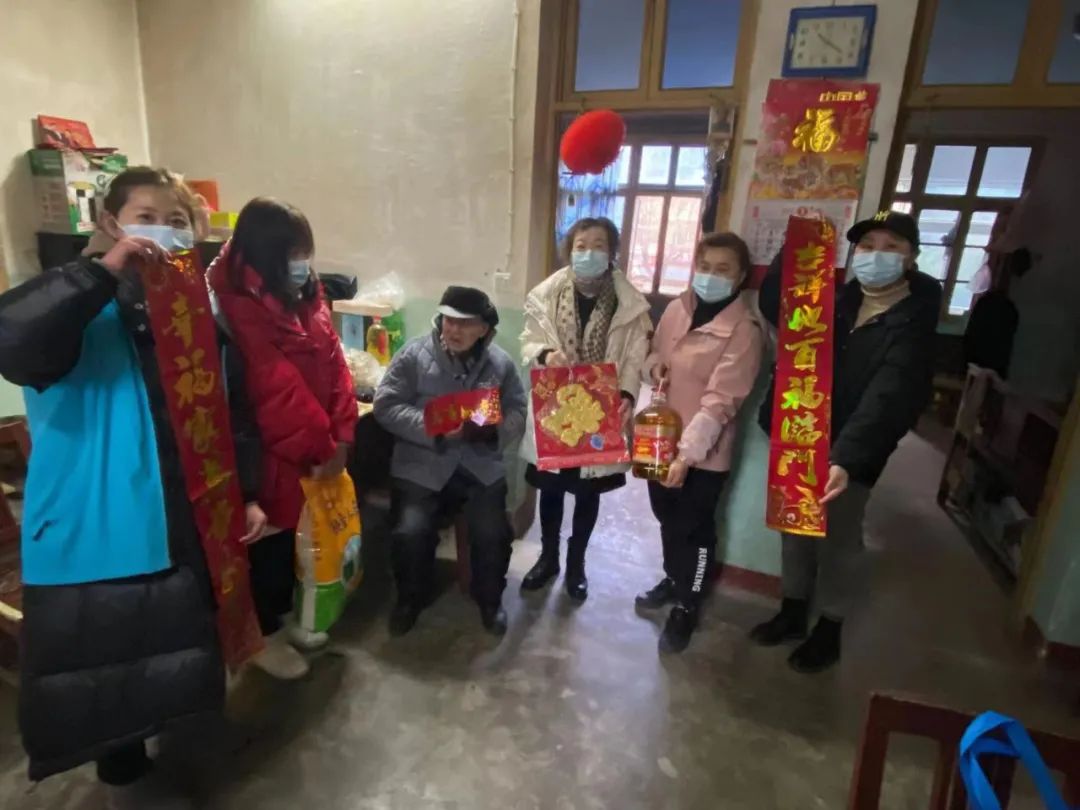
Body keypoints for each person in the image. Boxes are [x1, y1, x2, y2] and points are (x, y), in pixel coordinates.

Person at [0, 167, 265, 805]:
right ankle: (121, 764)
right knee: (105, 659)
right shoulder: (79, 301)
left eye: (177, 221)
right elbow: (15, 343)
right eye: (147, 216)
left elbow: (231, 410)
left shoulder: (191, 310)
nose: (163, 231)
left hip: (185, 509)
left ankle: (178, 738)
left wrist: (248, 493)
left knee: (178, 647)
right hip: (100, 518)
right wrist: (100, 272)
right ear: (109, 223)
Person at [752, 211, 941, 673]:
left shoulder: (912, 323)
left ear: (911, 258)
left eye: (892, 247)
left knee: (838, 539)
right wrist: (795, 249)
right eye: (868, 246)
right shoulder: (837, 299)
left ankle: (829, 629)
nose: (877, 255)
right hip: (804, 435)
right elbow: (777, 304)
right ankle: (793, 610)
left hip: (854, 450)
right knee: (795, 527)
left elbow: (888, 399)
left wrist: (846, 458)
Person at [208, 198, 358, 679]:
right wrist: (324, 445)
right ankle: (264, 638)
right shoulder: (235, 304)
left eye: (305, 251)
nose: (303, 262)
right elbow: (274, 390)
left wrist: (343, 432)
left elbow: (335, 362)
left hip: (314, 448)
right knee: (266, 549)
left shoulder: (306, 294)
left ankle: (290, 618)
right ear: (264, 254)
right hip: (271, 453)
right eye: (293, 253)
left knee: (299, 541)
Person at [374, 286, 527, 636]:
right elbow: (386, 405)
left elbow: (519, 409)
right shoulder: (414, 355)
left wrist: (495, 432)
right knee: (410, 530)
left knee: (493, 532)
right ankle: (409, 599)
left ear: (483, 329)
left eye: (465, 323)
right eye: (448, 320)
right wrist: (433, 428)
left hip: (479, 465)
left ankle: (490, 601)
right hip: (422, 464)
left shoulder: (501, 364)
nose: (454, 329)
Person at [637, 232, 763, 653]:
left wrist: (687, 457)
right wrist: (654, 369)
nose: (710, 276)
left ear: (740, 277)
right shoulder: (678, 308)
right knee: (665, 516)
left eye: (723, 269)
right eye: (705, 266)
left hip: (703, 456)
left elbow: (720, 403)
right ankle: (673, 578)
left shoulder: (744, 331)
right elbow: (654, 355)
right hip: (659, 440)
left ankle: (688, 604)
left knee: (695, 528)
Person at [518, 217, 651, 601]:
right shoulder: (546, 294)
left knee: (588, 492)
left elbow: (634, 356)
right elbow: (528, 340)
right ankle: (548, 559)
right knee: (551, 489)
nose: (588, 253)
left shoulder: (628, 301)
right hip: (556, 406)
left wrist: (627, 394)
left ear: (611, 252)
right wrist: (546, 353)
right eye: (581, 245)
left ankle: (576, 565)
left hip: (599, 409)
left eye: (598, 245)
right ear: (569, 250)